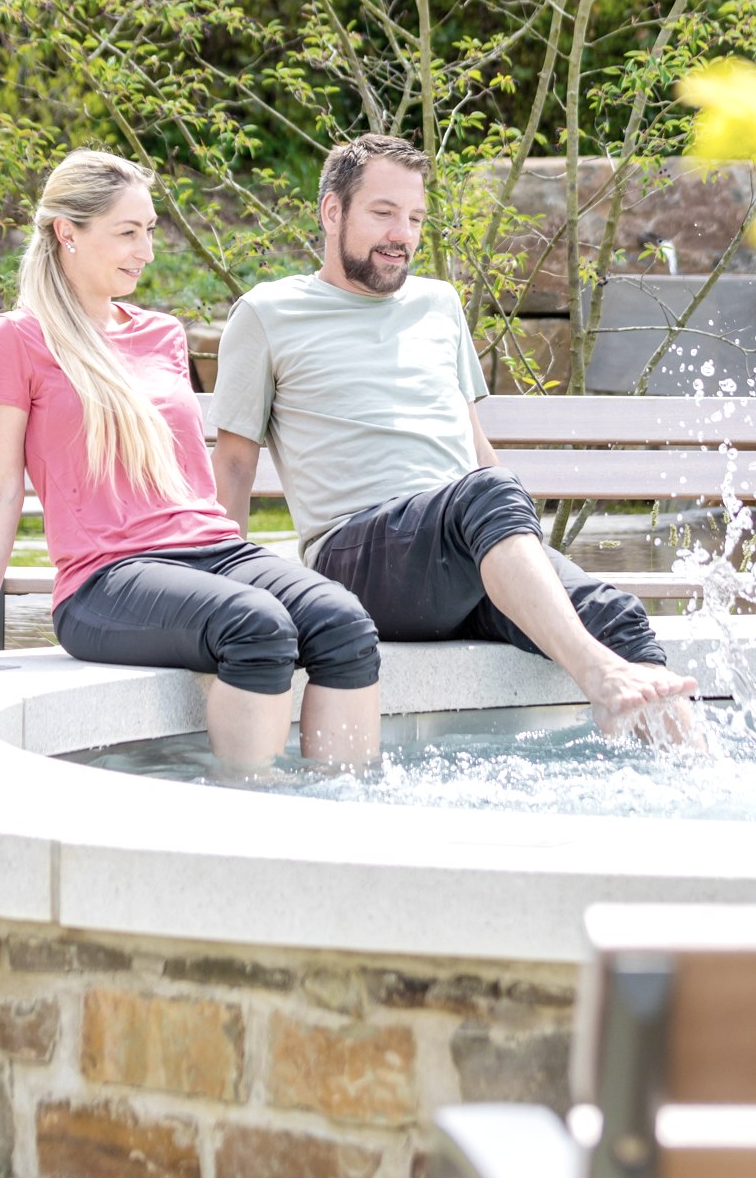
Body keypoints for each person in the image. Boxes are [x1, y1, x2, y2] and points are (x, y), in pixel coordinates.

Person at [0, 149, 381, 771]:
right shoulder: (15, 340)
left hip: (212, 551)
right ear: (67, 233)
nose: (146, 251)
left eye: (150, 230)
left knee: (345, 624)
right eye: (128, 232)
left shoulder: (162, 334)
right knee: (257, 628)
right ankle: (253, 804)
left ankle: (344, 802)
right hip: (105, 579)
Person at [207, 134, 697, 735]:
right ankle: (599, 677)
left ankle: (693, 775)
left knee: (617, 619)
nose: (403, 234)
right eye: (383, 213)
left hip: (465, 545)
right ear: (332, 211)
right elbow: (234, 464)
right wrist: (225, 598)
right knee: (486, 497)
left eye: (415, 218)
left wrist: (523, 553)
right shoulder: (268, 313)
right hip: (359, 556)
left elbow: (474, 446)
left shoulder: (439, 304)